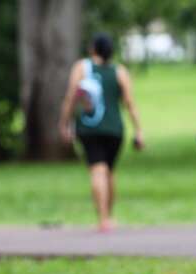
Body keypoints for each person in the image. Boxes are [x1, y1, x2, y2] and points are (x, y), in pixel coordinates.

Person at [59, 33, 144, 233]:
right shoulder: (120, 71)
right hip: (115, 129)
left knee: (98, 170)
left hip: (89, 128)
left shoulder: (82, 67)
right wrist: (139, 130)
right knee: (109, 171)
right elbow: (129, 103)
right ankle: (110, 217)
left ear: (93, 48)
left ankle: (103, 218)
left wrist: (64, 123)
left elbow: (71, 97)